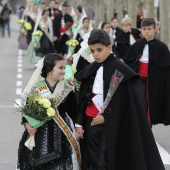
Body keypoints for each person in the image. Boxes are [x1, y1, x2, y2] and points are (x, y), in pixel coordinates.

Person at [75, 29, 165, 170]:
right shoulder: (91, 69)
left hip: (112, 125)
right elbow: (84, 99)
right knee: (92, 157)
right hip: (89, 122)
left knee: (105, 159)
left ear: (109, 48)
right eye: (92, 51)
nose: (96, 54)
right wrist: (79, 123)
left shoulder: (121, 70)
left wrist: (107, 116)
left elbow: (126, 103)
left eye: (99, 50)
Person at [17, 53, 81, 170]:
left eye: (64, 68)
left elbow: (74, 112)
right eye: (60, 68)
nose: (63, 71)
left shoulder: (67, 89)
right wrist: (27, 125)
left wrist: (78, 128)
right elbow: (27, 112)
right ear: (50, 69)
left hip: (62, 134)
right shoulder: (36, 89)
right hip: (39, 135)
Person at [124, 18, 170, 126]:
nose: (147, 31)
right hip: (139, 80)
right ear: (141, 30)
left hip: (155, 82)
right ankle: (143, 129)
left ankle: (148, 129)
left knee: (152, 107)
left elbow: (166, 70)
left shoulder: (162, 47)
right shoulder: (136, 45)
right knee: (141, 104)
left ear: (155, 30)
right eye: (144, 29)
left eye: (149, 29)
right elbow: (128, 63)